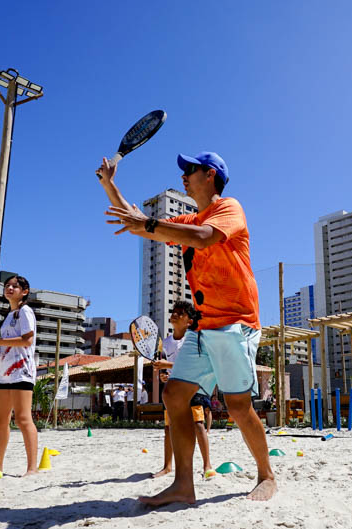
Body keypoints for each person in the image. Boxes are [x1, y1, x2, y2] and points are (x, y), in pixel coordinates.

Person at [99, 150, 277, 504]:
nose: (183, 175)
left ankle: (266, 475)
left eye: (190, 169)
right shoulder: (188, 219)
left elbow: (203, 237)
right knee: (173, 396)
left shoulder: (229, 208)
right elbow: (137, 223)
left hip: (235, 324)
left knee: (238, 407)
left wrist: (148, 223)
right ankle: (183, 485)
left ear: (210, 175)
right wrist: (109, 185)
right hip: (203, 326)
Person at [0, 275, 40, 477]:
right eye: (7, 286)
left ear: (25, 292)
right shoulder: (8, 316)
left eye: (15, 286)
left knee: (23, 419)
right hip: (5, 373)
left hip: (22, 372)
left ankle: (32, 468)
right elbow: (10, 345)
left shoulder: (25, 311)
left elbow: (27, 341)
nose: (10, 288)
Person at [152, 301, 212, 477]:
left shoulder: (193, 339)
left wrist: (167, 365)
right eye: (174, 311)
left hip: (192, 387)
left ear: (189, 321)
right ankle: (167, 466)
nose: (175, 314)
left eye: (180, 312)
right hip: (173, 389)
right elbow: (164, 369)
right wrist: (163, 375)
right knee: (168, 428)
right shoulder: (165, 343)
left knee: (198, 425)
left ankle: (207, 465)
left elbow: (194, 365)